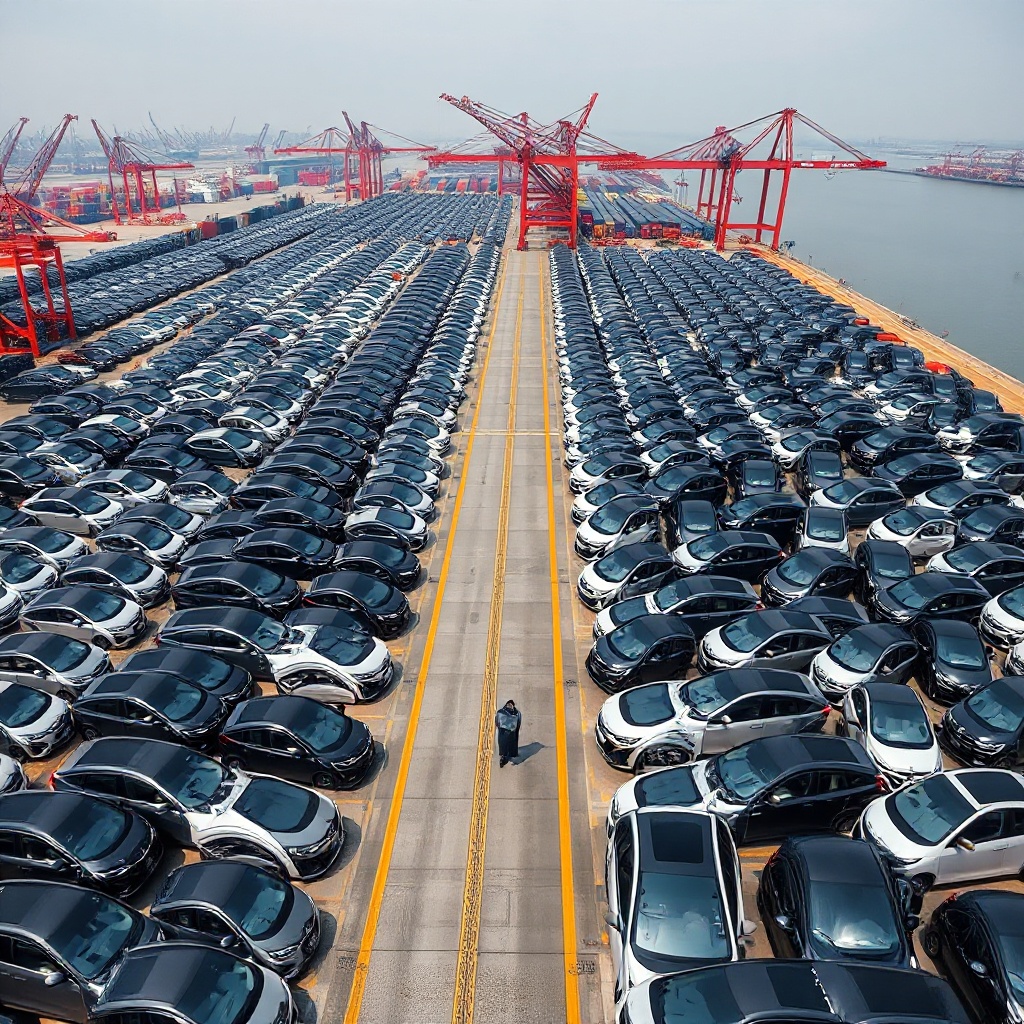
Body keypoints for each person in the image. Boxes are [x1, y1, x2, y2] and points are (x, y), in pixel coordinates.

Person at [495, 699, 521, 767]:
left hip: (503, 732)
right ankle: (510, 755)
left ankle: (504, 757)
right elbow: (518, 723)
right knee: (510, 744)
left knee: (503, 745)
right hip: (511, 732)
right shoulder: (517, 713)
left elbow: (497, 722)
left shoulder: (501, 712)